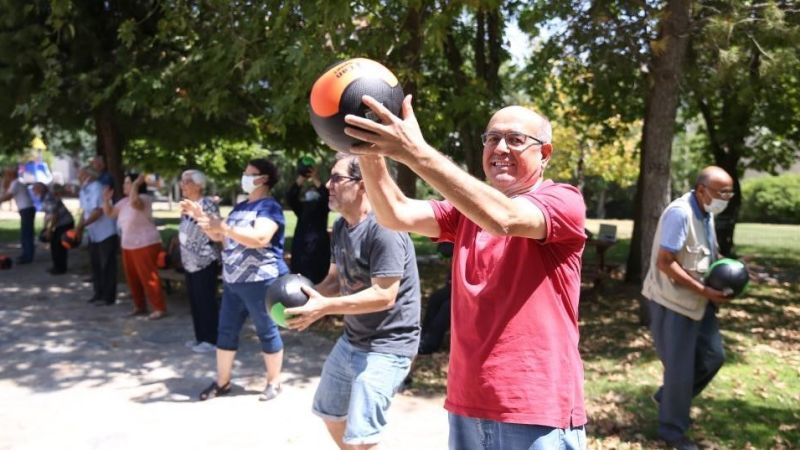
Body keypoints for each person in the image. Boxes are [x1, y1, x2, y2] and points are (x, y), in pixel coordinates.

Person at [343, 96, 588, 449]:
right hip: (468, 402)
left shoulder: (563, 200)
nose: (500, 148)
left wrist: (415, 151)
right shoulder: (465, 212)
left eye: (516, 140)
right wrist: (368, 149)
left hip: (535, 409)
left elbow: (505, 219)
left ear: (544, 153)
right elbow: (394, 213)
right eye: (492, 138)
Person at [285, 155, 421, 450]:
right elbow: (334, 281)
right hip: (352, 340)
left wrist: (325, 307)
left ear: (363, 184)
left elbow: (385, 295)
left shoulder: (384, 228)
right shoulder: (342, 227)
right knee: (329, 411)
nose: (329, 186)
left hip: (388, 346)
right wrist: (308, 301)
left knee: (362, 435)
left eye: (336, 179)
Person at [641, 166, 735, 450]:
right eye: (722, 193)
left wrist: (732, 270)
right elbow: (665, 261)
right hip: (672, 301)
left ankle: (669, 397)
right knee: (680, 370)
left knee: (713, 357)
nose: (726, 198)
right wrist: (706, 290)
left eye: (730, 193)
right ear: (703, 190)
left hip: (697, 300)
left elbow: (706, 251)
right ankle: (672, 431)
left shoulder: (705, 212)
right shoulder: (680, 213)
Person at [181, 158, 288, 402]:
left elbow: (260, 237)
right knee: (225, 332)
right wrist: (201, 218)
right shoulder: (239, 208)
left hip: (261, 281)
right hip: (233, 280)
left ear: (263, 179)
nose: (245, 177)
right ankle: (222, 382)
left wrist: (225, 229)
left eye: (249, 174)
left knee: (267, 331)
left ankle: (273, 382)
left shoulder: (269, 207)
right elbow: (219, 236)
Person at [102, 173, 167, 320]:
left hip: (145, 243)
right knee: (132, 278)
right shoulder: (124, 201)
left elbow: (135, 203)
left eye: (127, 183)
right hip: (128, 245)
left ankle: (159, 307)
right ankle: (139, 306)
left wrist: (137, 185)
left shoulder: (144, 199)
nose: (124, 186)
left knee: (148, 276)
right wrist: (106, 200)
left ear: (135, 185)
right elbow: (110, 213)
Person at [178, 169, 221, 353]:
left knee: (206, 301)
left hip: (204, 260)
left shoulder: (207, 204)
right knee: (195, 302)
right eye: (182, 181)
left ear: (198, 185)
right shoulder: (188, 205)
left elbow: (214, 228)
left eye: (186, 181)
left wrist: (196, 214)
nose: (183, 185)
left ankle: (211, 340)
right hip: (189, 262)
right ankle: (200, 337)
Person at [75, 166, 118, 305]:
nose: (79, 177)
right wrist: (80, 226)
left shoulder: (98, 188)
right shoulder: (83, 190)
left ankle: (108, 297)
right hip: (93, 233)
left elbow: (98, 211)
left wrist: (82, 225)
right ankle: (98, 293)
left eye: (81, 175)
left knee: (107, 265)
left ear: (89, 175)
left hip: (106, 232)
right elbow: (85, 212)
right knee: (96, 264)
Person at [286, 157, 330, 283]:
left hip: (319, 248)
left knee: (318, 280)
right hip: (300, 247)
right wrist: (301, 178)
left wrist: (315, 179)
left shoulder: (323, 206)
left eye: (313, 190)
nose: (311, 192)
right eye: (309, 190)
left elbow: (326, 196)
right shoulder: (301, 208)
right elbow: (290, 197)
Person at [31, 182, 74, 275]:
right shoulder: (43, 197)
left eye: (35, 189)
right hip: (59, 223)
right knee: (54, 245)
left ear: (40, 189)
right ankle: (56, 266)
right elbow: (47, 214)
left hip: (64, 223)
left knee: (59, 245)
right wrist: (45, 228)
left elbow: (55, 215)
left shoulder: (48, 198)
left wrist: (50, 230)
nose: (33, 191)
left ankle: (61, 268)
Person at [0, 166, 36, 264]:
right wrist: (4, 184)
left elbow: (7, 196)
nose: (4, 177)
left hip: (26, 209)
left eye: (5, 175)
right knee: (25, 233)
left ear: (10, 175)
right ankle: (26, 254)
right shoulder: (16, 182)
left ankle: (28, 257)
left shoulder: (15, 183)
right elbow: (5, 192)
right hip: (26, 209)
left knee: (26, 233)